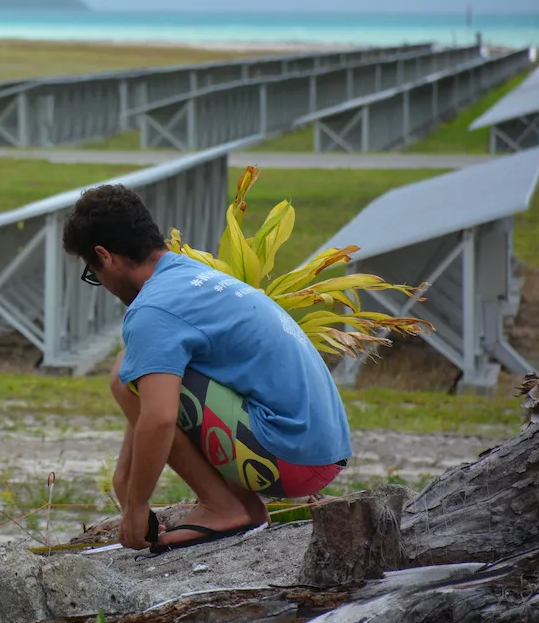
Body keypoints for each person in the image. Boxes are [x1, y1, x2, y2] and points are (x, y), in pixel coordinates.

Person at [62, 184, 351, 553]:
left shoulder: (153, 310)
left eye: (93, 273)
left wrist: (136, 507)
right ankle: (242, 505)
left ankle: (224, 507)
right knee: (132, 368)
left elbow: (160, 417)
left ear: (105, 256)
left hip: (291, 459)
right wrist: (125, 482)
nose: (100, 284)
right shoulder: (188, 276)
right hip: (318, 448)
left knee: (126, 376)